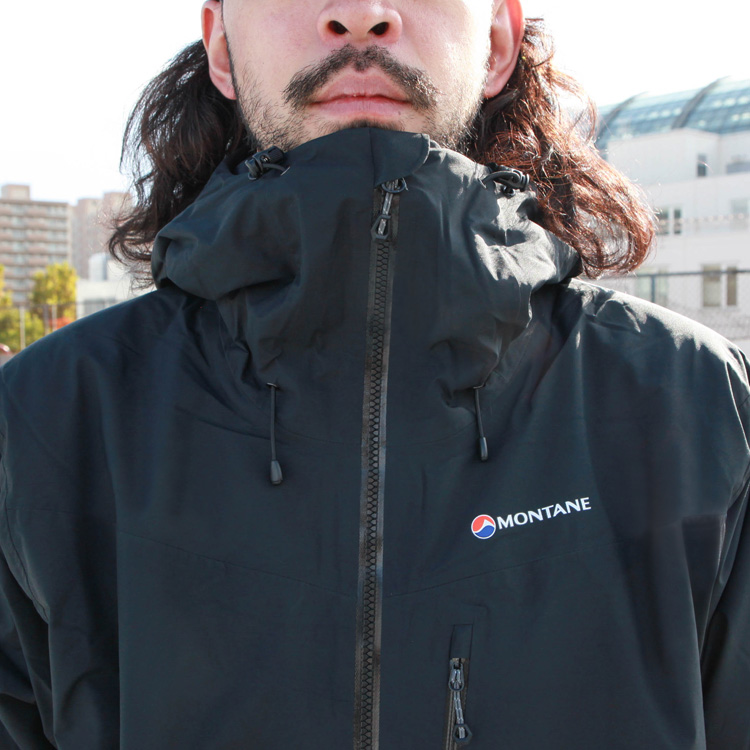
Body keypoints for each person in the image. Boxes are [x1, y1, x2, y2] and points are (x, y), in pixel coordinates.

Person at [0, 0, 748, 747]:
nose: (360, 15)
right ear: (222, 46)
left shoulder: (695, 409)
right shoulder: (44, 426)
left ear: (496, 42)